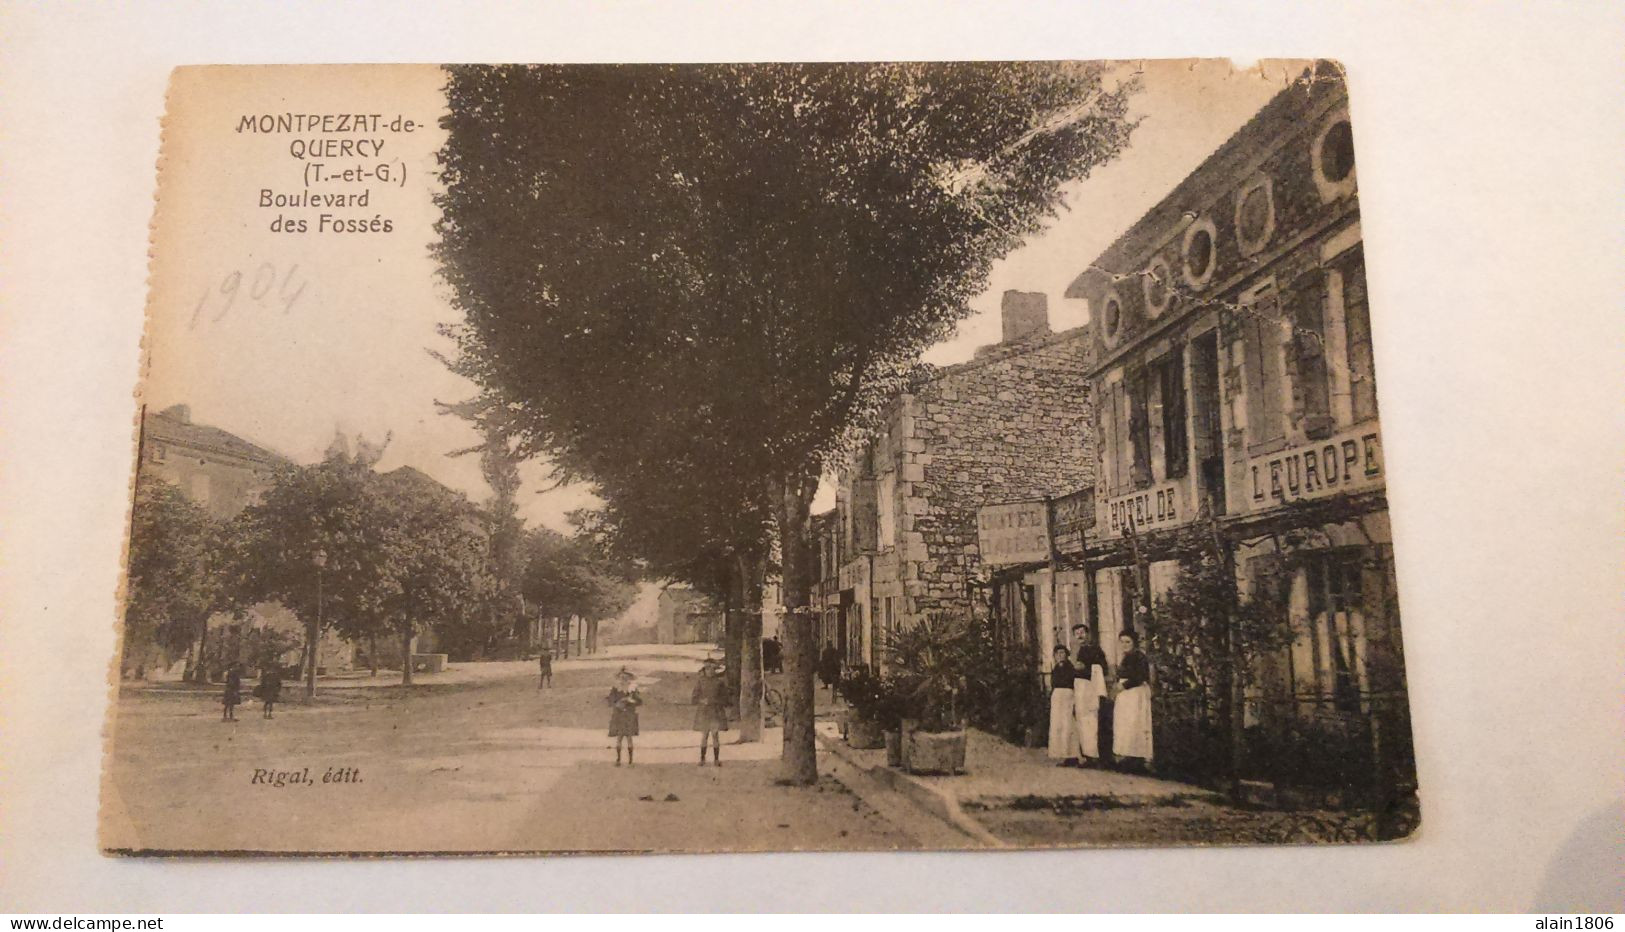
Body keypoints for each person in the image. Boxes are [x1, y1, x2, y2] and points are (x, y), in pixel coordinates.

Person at [1112, 630, 1153, 770]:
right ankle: (1127, 756)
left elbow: (1140, 677)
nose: (1124, 645)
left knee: (1135, 723)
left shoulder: (1139, 657)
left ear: (1134, 642)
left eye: (1128, 642)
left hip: (1135, 693)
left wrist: (1124, 685)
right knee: (1124, 724)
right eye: (1122, 642)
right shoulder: (1125, 657)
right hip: (1125, 695)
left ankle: (1139, 757)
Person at [1071, 623, 1110, 765]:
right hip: (1082, 688)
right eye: (1077, 633)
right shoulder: (1079, 650)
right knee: (1083, 720)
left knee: (1091, 720)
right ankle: (1087, 754)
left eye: (1082, 632)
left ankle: (1095, 755)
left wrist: (1084, 668)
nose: (1080, 635)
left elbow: (1102, 668)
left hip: (1091, 688)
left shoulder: (1095, 649)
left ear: (1088, 634)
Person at [692, 656, 730, 766]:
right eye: (707, 669)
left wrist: (718, 701)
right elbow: (694, 697)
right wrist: (701, 700)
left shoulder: (719, 683)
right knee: (704, 735)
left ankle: (716, 759)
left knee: (715, 735)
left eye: (712, 669)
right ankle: (702, 758)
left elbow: (725, 698)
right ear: (704, 670)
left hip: (716, 711)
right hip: (704, 711)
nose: (710, 671)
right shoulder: (700, 682)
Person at [1046, 645, 1079, 765]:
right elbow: (1053, 683)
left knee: (1068, 723)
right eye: (1057, 653)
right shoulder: (1055, 668)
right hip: (1057, 697)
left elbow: (1070, 682)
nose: (1060, 655)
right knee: (1057, 724)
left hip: (1067, 695)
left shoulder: (1069, 668)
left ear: (1066, 655)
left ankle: (1072, 755)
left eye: (1062, 653)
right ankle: (1062, 754)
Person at [606, 667, 643, 766]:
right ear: (619, 678)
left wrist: (632, 701)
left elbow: (640, 701)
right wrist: (617, 703)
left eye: (626, 677)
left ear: (629, 678)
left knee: (629, 737)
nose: (624, 679)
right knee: (619, 737)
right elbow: (610, 701)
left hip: (629, 714)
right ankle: (618, 759)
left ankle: (630, 760)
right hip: (619, 714)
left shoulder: (633, 689)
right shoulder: (616, 689)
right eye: (622, 677)